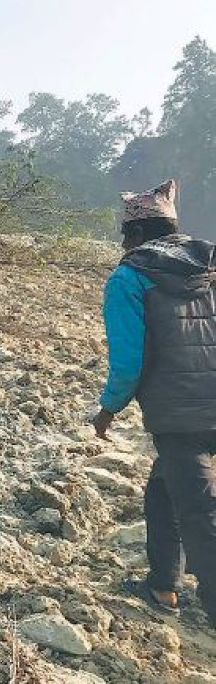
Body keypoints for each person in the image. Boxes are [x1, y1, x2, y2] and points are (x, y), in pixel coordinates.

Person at [92, 179, 216, 626]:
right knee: (164, 491)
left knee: (200, 512)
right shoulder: (210, 263)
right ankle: (163, 584)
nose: (122, 244)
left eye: (125, 236)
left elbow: (129, 359)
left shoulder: (129, 278)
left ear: (139, 234)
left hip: (180, 413)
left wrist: (108, 408)